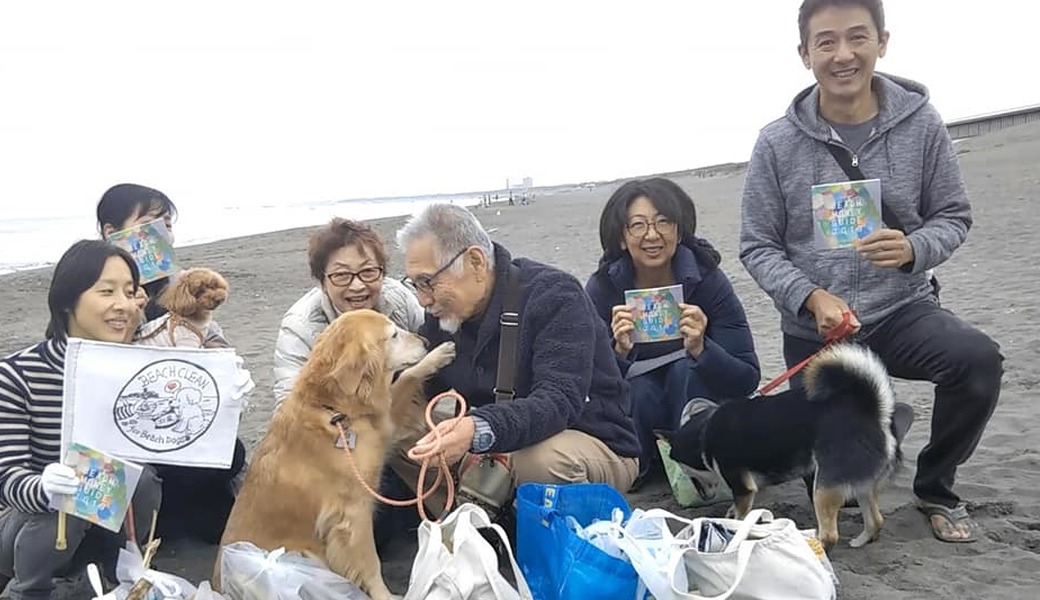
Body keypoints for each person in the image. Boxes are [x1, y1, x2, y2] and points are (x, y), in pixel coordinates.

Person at [739, 0, 1003, 543]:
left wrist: (913, 247)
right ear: (804, 53)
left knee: (978, 362)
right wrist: (810, 295)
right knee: (830, 474)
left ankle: (936, 488)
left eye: (857, 37)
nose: (843, 54)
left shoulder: (922, 124)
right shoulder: (775, 143)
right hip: (817, 331)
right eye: (826, 41)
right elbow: (757, 245)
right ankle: (887, 428)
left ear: (882, 42)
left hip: (902, 310)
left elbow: (954, 216)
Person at [394, 203, 640, 514]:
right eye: (414, 284)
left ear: (476, 262)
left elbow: (559, 401)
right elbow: (423, 391)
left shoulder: (554, 295)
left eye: (428, 282)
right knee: (395, 433)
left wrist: (478, 430)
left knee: (538, 461)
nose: (422, 299)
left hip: (590, 441)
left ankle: (542, 528)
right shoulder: (442, 316)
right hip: (500, 443)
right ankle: (470, 519)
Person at [0, 240, 162, 598]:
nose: (124, 304)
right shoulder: (17, 374)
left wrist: (222, 408)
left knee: (144, 479)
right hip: (28, 531)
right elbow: (5, 476)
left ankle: (117, 575)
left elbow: (170, 444)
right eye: (106, 291)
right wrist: (43, 486)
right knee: (82, 480)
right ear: (66, 300)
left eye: (130, 291)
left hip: (108, 527)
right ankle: (27, 591)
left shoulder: (135, 371)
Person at [585, 178, 760, 486]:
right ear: (622, 238)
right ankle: (636, 467)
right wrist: (618, 353)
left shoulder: (708, 281)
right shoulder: (602, 289)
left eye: (663, 222)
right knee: (639, 386)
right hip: (636, 431)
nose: (652, 234)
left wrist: (703, 349)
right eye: (637, 225)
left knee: (683, 369)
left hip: (698, 421)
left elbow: (747, 379)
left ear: (679, 231)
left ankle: (696, 466)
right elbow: (586, 390)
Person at [97, 183, 245, 544]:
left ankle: (184, 515)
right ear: (111, 233)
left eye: (167, 223)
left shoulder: (181, 288)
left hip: (181, 427)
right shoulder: (91, 287)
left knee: (233, 454)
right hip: (125, 434)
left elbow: (212, 340)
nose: (162, 232)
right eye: (150, 221)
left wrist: (226, 366)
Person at [272, 217, 424, 405]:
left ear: (383, 273)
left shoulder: (400, 300)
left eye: (368, 271)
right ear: (322, 282)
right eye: (341, 275)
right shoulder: (301, 327)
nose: (358, 285)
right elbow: (290, 406)